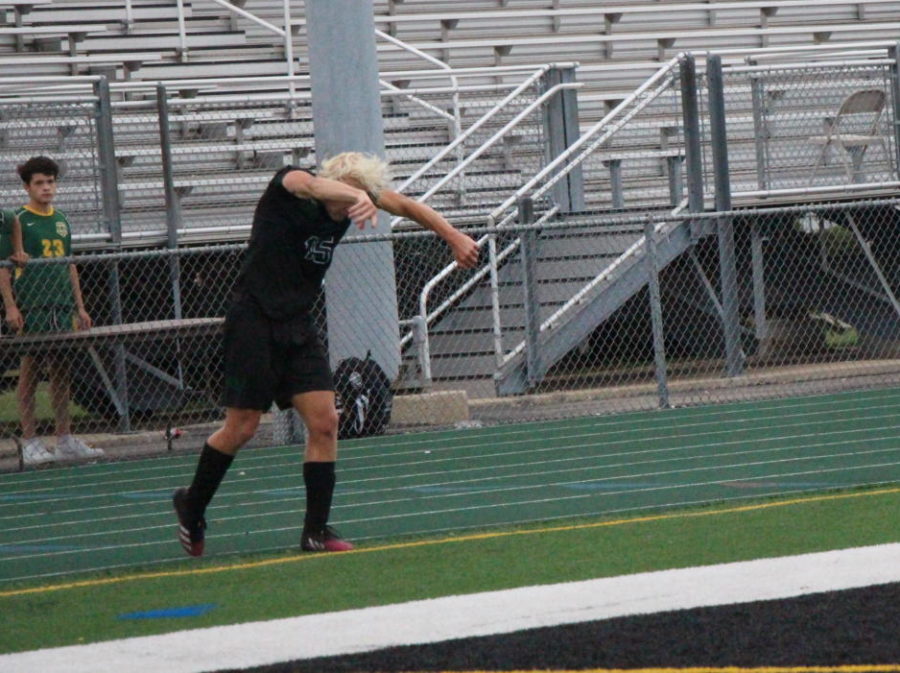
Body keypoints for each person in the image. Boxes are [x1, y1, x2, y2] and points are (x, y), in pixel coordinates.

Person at [173, 152, 479, 556]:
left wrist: (454, 237)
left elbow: (405, 205)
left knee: (326, 421)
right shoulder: (293, 185)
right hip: (253, 320)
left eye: (365, 194)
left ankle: (315, 531)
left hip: (297, 324)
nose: (360, 201)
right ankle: (192, 503)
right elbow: (313, 185)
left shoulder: (359, 200)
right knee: (242, 428)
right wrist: (356, 196)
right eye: (354, 192)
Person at [0, 156, 104, 466]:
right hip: (33, 304)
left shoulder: (61, 219)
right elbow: (4, 269)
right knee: (30, 370)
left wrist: (80, 306)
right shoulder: (18, 220)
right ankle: (30, 440)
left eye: (50, 182)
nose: (46, 188)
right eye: (40, 183)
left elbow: (69, 264)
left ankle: (64, 438)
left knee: (61, 370)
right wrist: (10, 306)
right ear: (27, 187)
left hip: (61, 305)